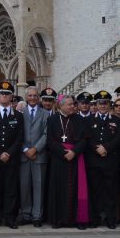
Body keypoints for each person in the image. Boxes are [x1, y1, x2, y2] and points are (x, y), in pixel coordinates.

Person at [47, 94, 89, 229]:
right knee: (58, 189)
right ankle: (58, 219)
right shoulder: (52, 119)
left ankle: (76, 220)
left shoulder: (79, 120)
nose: (73, 107)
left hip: (75, 159)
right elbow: (49, 140)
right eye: (70, 104)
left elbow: (84, 139)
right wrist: (62, 152)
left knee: (75, 189)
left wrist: (74, 152)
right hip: (59, 159)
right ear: (61, 105)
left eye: (73, 104)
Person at [0, 81, 23, 229]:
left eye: (7, 94)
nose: (4, 96)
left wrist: (8, 153)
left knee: (10, 190)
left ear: (11, 96)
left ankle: (9, 217)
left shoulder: (18, 116)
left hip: (11, 159)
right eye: (2, 93)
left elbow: (20, 137)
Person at [86, 90, 120, 229]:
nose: (102, 106)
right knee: (95, 191)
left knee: (110, 191)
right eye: (100, 103)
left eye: (105, 103)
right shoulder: (89, 120)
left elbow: (119, 138)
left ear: (109, 105)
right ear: (96, 104)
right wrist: (97, 148)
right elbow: (88, 138)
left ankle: (110, 218)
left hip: (110, 161)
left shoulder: (116, 120)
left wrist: (106, 148)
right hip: (94, 161)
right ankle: (95, 217)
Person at [18, 86, 48, 227]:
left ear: (38, 97)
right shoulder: (19, 113)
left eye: (35, 95)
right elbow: (17, 134)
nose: (32, 98)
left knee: (39, 186)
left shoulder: (45, 114)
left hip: (39, 156)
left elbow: (46, 134)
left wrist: (35, 149)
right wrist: (25, 149)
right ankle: (25, 214)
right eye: (30, 95)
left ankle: (37, 215)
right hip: (23, 156)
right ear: (26, 97)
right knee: (24, 187)